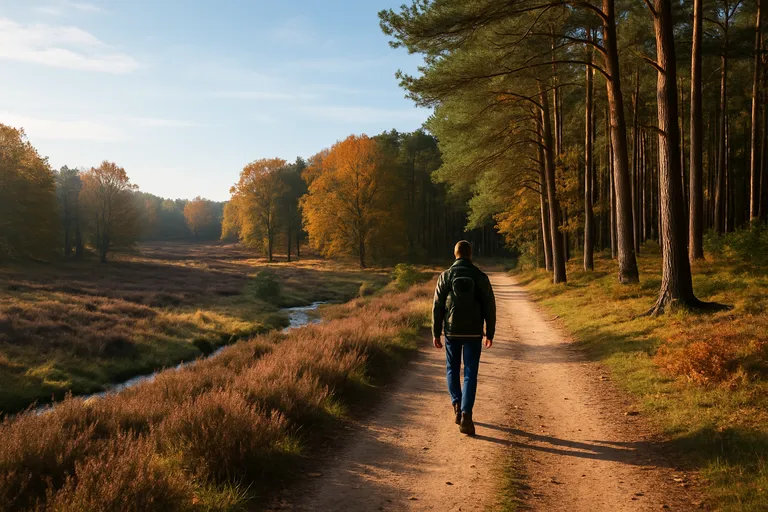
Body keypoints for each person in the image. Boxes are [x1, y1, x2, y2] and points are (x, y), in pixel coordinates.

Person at [432, 240, 496, 436]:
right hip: (474, 333)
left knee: (452, 368)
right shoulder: (480, 276)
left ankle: (457, 404)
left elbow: (437, 307)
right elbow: (489, 306)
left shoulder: (445, 276)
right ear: (470, 254)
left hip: (452, 332)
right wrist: (489, 332)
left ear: (455, 254)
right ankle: (467, 415)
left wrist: (436, 332)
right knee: (470, 372)